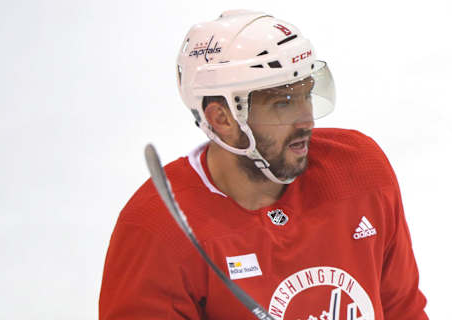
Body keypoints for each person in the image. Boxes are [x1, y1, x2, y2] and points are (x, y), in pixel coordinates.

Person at [99, 10, 428, 320]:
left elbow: (403, 309)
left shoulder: (359, 170)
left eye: (307, 94)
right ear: (222, 118)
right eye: (283, 103)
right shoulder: (157, 230)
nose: (306, 120)